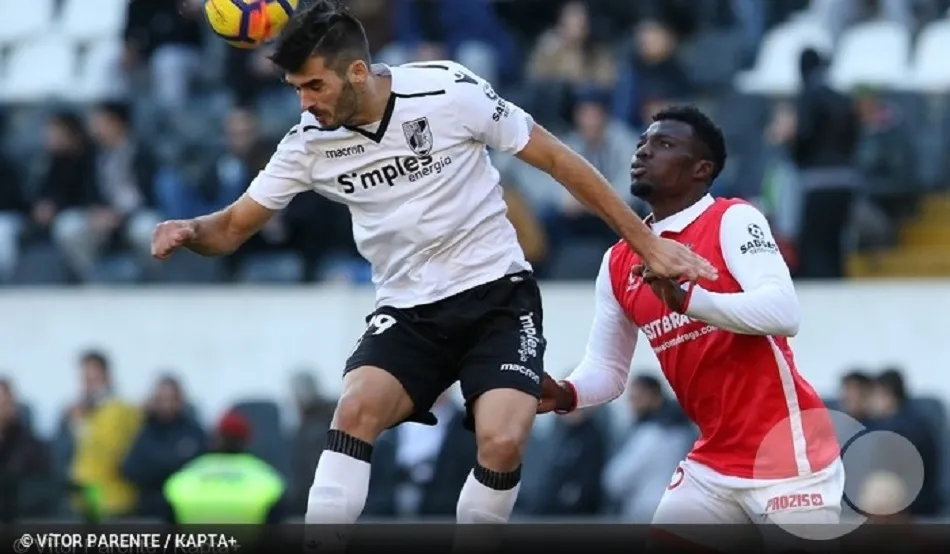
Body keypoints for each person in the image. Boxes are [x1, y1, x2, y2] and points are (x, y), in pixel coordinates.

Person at [150, 0, 716, 530]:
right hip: (408, 310)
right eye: (296, 89)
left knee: (500, 442)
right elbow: (229, 228)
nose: (305, 103)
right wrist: (191, 231)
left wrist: (647, 243)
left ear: (355, 73)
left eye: (313, 86)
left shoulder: (448, 90)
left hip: (498, 297)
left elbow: (560, 160)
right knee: (353, 410)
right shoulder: (307, 145)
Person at [538, 106, 843, 547]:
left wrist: (687, 301)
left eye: (663, 145)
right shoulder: (617, 262)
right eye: (643, 142)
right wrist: (567, 393)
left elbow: (783, 312)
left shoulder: (733, 219)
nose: (643, 151)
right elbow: (607, 368)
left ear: (702, 169)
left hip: (787, 452)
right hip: (713, 460)